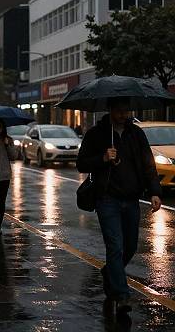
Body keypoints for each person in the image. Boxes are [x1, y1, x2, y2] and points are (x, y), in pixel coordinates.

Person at [77, 98, 162, 314]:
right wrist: (103, 157)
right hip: (107, 199)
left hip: (131, 198)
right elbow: (82, 163)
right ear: (111, 110)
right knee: (115, 245)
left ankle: (110, 273)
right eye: (120, 111)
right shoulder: (96, 134)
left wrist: (154, 192)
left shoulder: (136, 134)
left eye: (127, 110)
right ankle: (122, 295)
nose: (124, 114)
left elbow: (148, 163)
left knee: (130, 246)